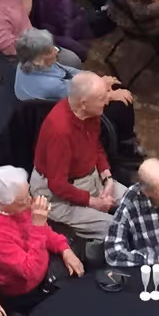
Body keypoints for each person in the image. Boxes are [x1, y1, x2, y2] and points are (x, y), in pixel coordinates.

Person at [29, 70, 129, 242]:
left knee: (138, 200)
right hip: (58, 197)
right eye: (101, 99)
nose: (107, 102)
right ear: (83, 103)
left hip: (89, 178)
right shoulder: (60, 131)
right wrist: (95, 202)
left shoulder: (91, 114)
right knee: (118, 231)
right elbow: (57, 184)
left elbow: (95, 145)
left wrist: (107, 177)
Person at [0, 166, 82, 304]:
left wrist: (64, 249)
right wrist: (38, 225)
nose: (30, 201)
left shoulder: (17, 206)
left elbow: (44, 231)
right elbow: (33, 273)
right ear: (4, 203)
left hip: (38, 255)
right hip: (27, 287)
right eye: (23, 200)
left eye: (28, 193)